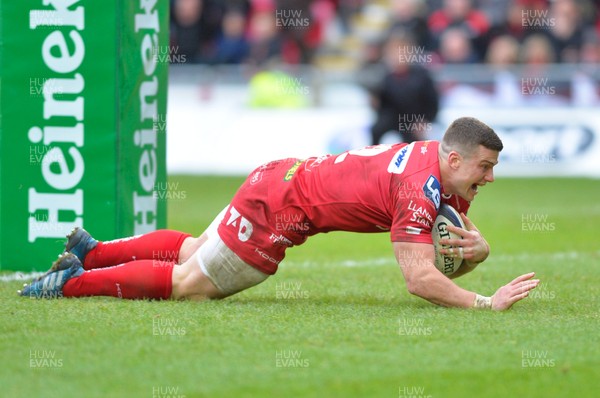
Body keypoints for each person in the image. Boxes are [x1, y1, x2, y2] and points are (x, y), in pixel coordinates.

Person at [20, 117, 539, 310]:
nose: (489, 177)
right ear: (454, 159)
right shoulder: (420, 188)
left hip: (279, 174)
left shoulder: (442, 167)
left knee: (196, 251)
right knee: (186, 286)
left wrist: (481, 250)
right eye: (485, 167)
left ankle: (94, 251)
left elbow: (454, 247)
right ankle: (68, 284)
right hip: (282, 210)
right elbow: (422, 278)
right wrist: (484, 302)